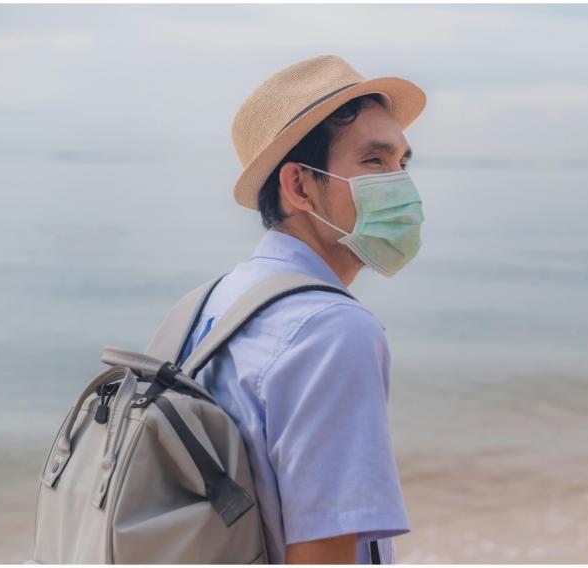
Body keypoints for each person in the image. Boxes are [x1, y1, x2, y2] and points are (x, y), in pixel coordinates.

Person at [176, 54, 427, 564]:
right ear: (299, 186)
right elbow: (322, 554)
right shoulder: (332, 330)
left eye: (402, 163)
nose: (400, 185)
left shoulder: (214, 302)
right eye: (374, 162)